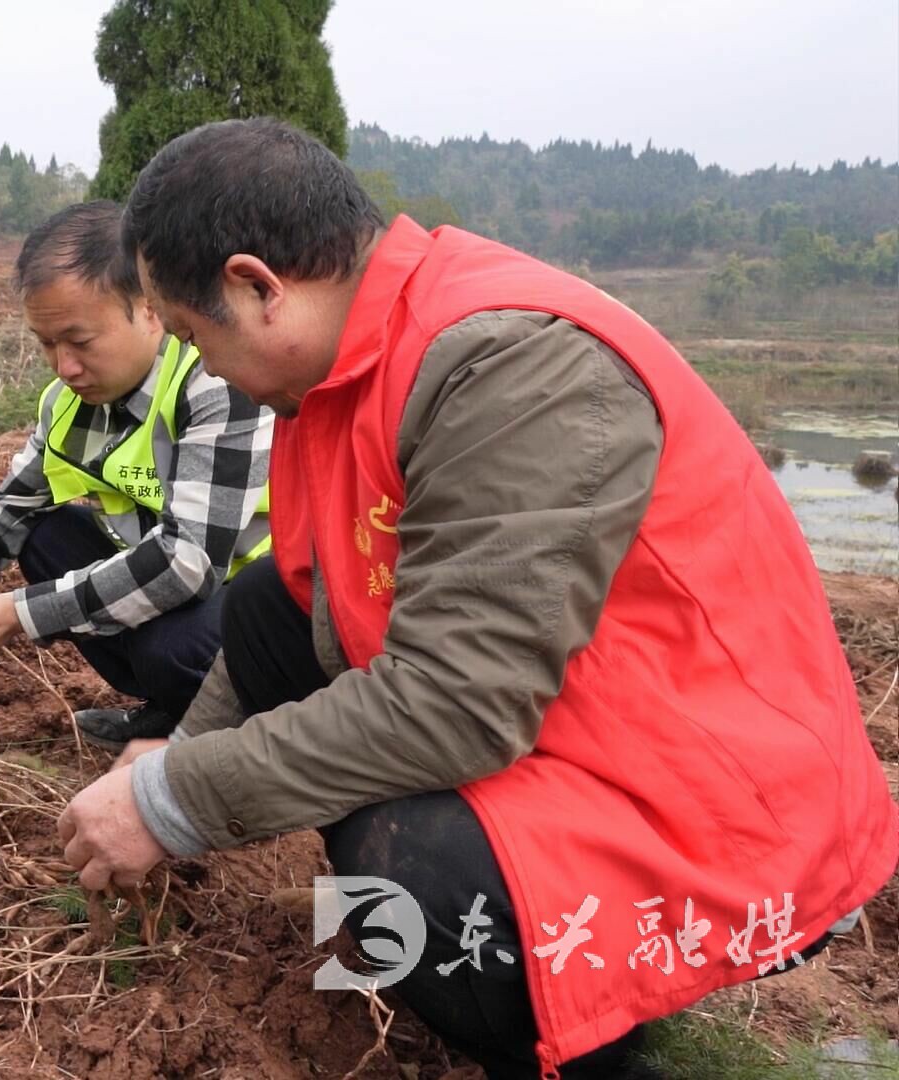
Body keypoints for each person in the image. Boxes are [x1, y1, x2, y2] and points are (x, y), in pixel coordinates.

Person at [57, 118, 898, 1078]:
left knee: (405, 865)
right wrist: (175, 759)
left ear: (259, 286)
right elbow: (307, 605)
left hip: (715, 802)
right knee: (268, 611)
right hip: (571, 717)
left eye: (197, 336)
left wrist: (169, 802)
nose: (201, 368)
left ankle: (583, 1053)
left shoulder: (510, 365)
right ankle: (423, 977)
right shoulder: (342, 370)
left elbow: (456, 706)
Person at [0, 201, 272, 747]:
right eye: (46, 344)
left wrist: (14, 613)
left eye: (79, 342)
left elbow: (187, 564)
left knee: (171, 648)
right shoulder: (71, 403)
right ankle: (172, 708)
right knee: (44, 534)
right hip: (193, 597)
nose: (64, 367)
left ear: (150, 308)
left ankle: (247, 731)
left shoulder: (214, 383)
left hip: (271, 604)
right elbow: (9, 507)